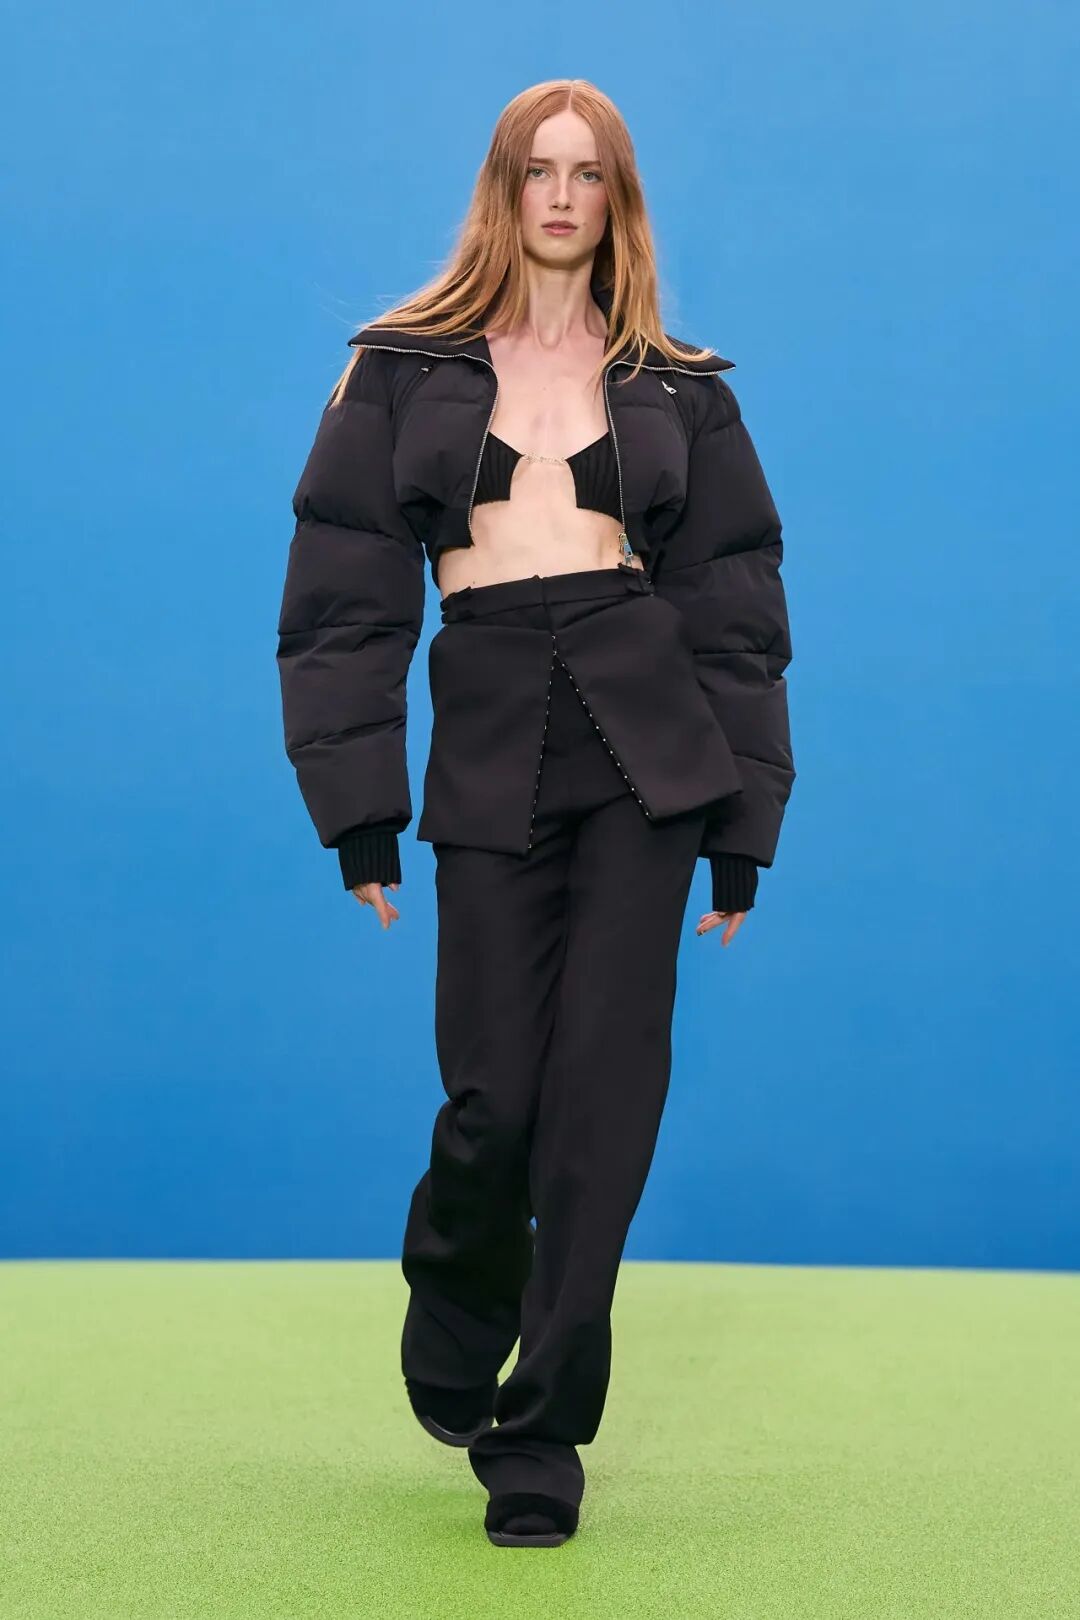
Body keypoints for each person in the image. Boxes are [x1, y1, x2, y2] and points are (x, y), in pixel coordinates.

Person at [275, 78, 796, 1549]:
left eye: (589, 173)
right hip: (494, 731)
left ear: (619, 198)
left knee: (604, 1105)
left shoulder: (683, 385)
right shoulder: (398, 367)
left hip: (648, 747)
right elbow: (341, 602)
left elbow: (738, 613)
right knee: (495, 1094)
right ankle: (459, 1276)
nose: (562, 197)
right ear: (502, 190)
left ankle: (543, 1433)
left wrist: (745, 824)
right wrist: (357, 807)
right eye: (537, 170)